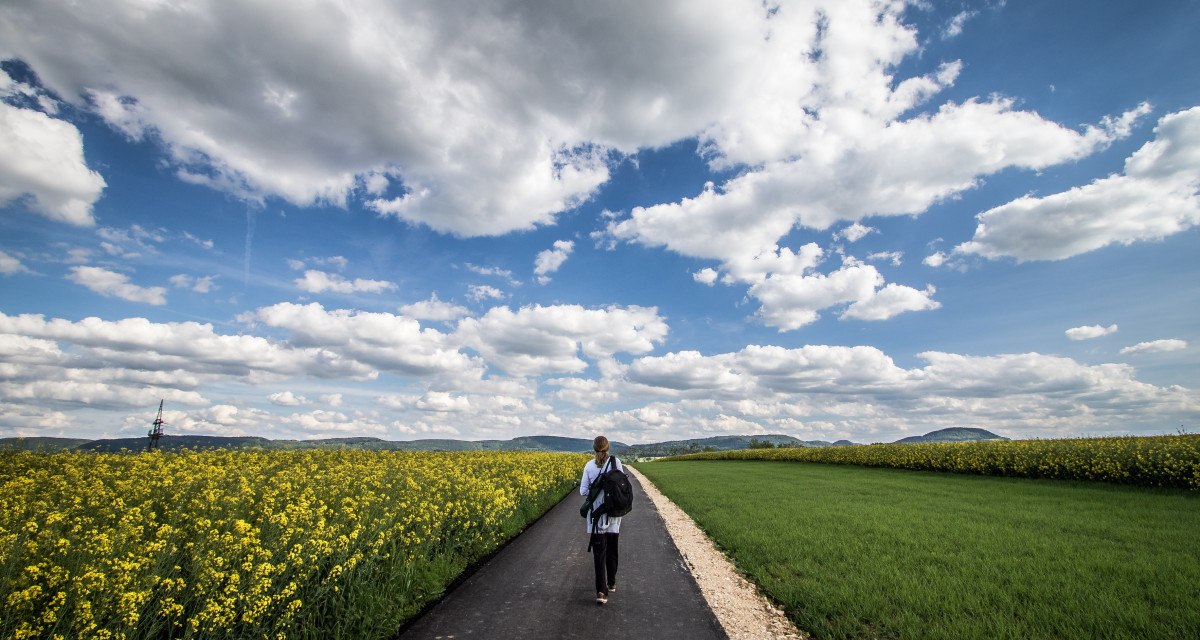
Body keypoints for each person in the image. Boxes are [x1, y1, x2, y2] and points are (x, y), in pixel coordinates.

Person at [580, 435, 623, 605]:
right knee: (612, 548)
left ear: (594, 449)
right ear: (608, 448)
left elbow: (583, 491)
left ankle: (601, 592)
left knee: (599, 554)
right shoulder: (616, 463)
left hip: (596, 516)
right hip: (613, 514)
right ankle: (611, 582)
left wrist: (594, 489)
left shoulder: (589, 466)